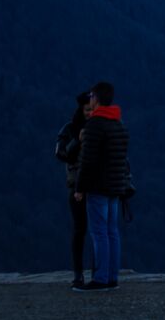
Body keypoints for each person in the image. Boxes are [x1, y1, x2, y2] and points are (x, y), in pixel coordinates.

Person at [74, 81, 129, 292]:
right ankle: (112, 277)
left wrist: (80, 187)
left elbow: (87, 160)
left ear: (96, 98)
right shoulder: (119, 123)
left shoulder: (95, 125)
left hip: (98, 185)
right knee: (112, 231)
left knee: (98, 232)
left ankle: (101, 278)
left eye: (91, 97)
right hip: (116, 185)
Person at [55, 91, 95, 288]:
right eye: (87, 110)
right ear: (81, 109)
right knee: (80, 230)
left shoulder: (99, 127)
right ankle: (78, 273)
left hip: (96, 185)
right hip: (76, 185)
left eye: (92, 109)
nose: (90, 113)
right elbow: (61, 154)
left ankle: (97, 272)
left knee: (97, 231)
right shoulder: (70, 128)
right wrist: (77, 140)